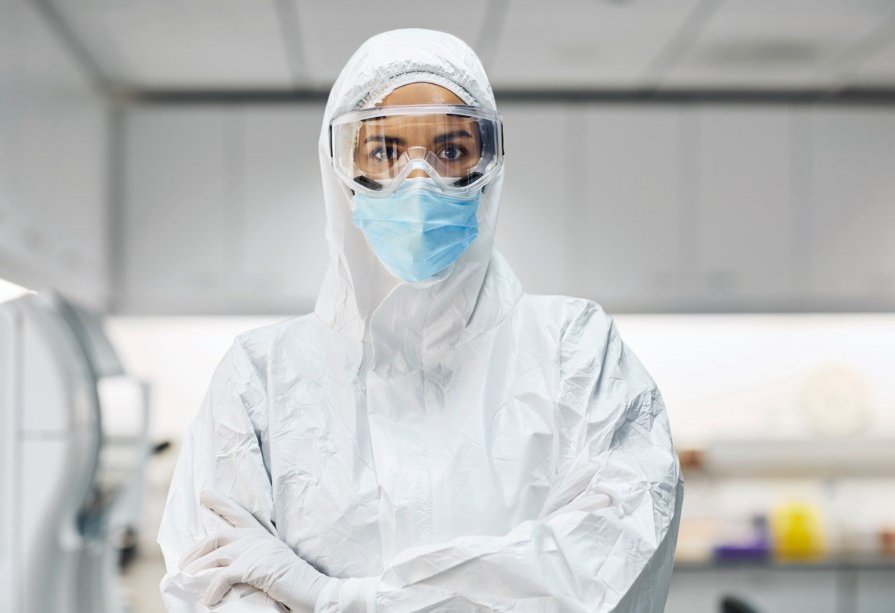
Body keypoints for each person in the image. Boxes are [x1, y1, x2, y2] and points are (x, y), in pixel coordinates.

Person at [158, 28, 683, 613]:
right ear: (341, 171)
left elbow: (611, 564)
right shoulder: (258, 378)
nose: (418, 180)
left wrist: (338, 600)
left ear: (488, 165)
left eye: (451, 151)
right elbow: (209, 581)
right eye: (384, 152)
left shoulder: (575, 350)